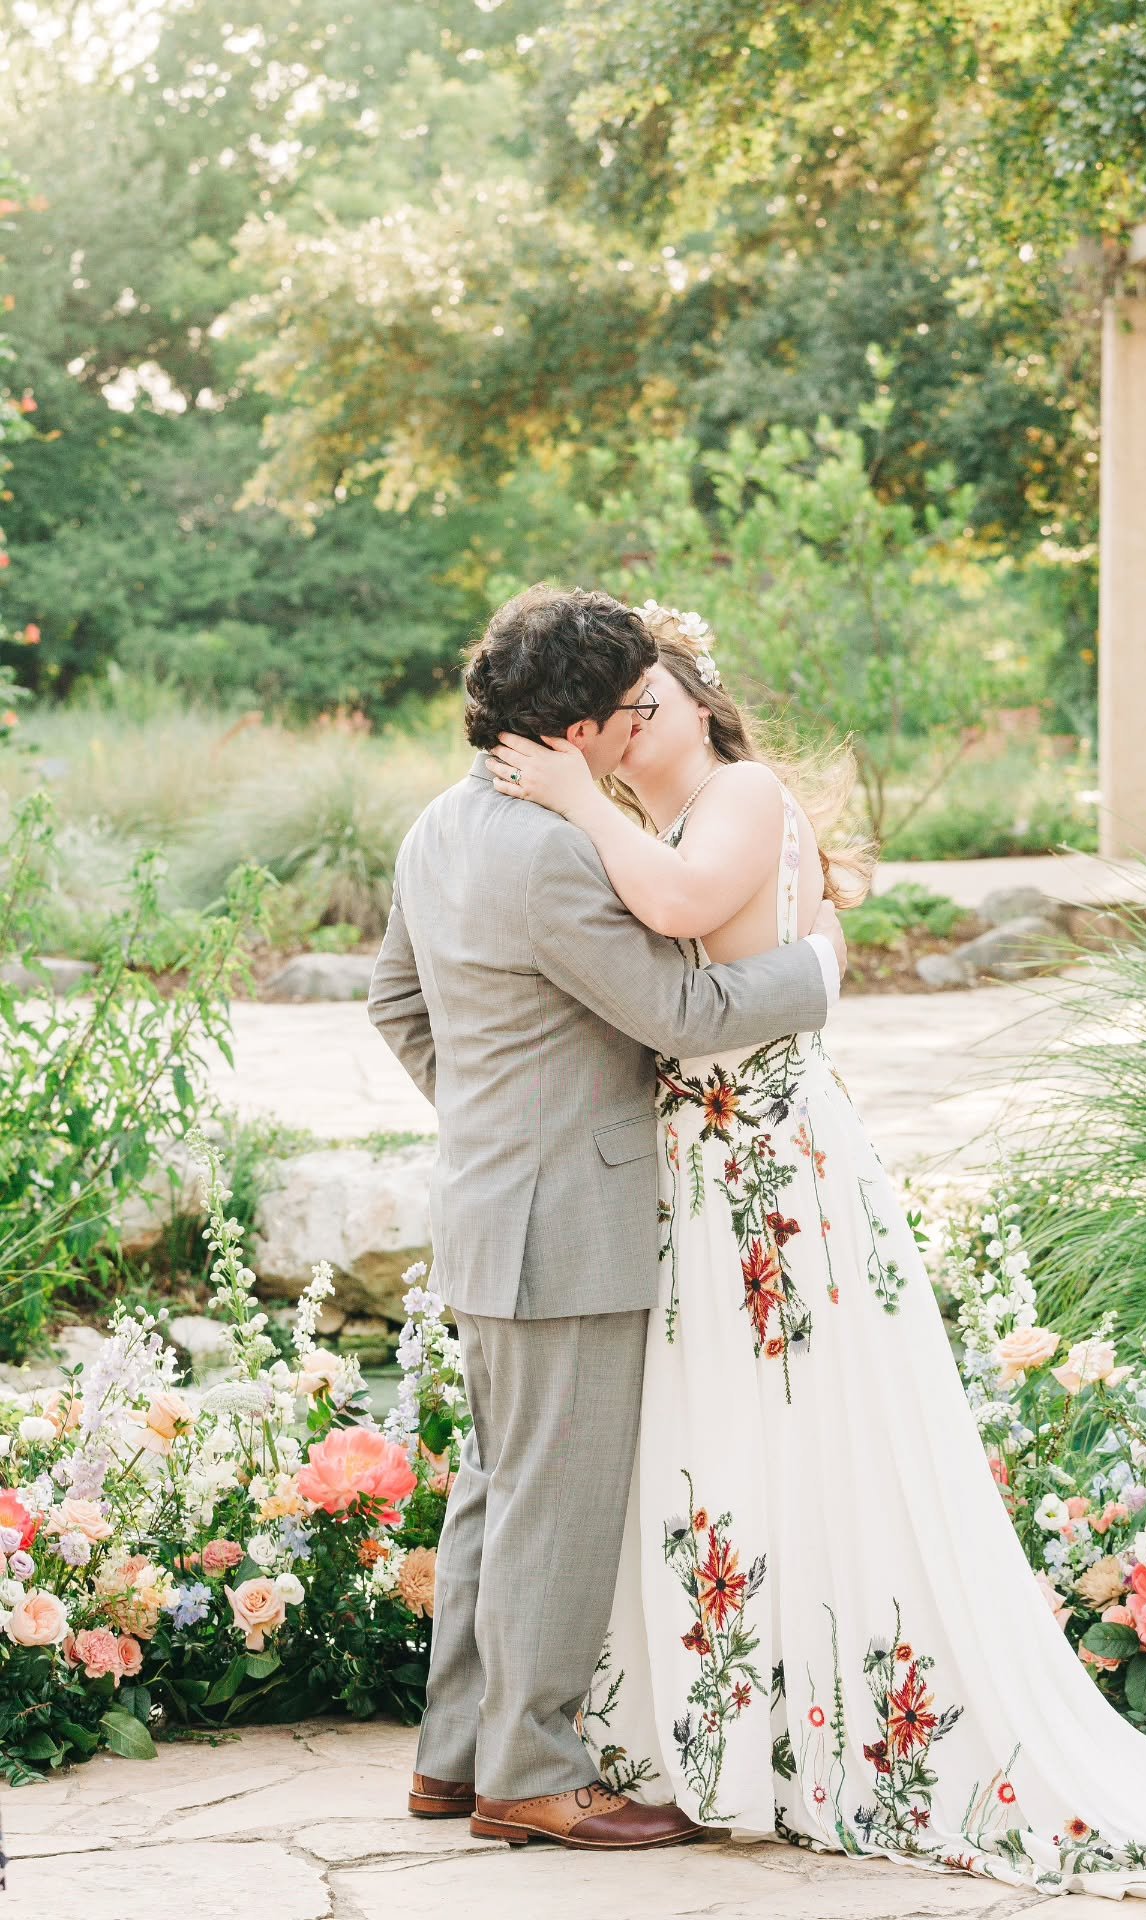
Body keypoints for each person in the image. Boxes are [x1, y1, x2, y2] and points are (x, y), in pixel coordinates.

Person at [486, 600, 1146, 1919]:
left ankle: (820, 1730)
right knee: (725, 1437)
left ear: (699, 701)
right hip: (700, 1175)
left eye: (652, 705)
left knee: (799, 1427)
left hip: (767, 1169)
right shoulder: (661, 817)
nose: (635, 732)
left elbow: (681, 908)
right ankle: (735, 1720)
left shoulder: (739, 796)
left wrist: (578, 802)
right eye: (621, 715)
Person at [368, 584, 847, 1852]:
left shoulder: (438, 826)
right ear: (579, 730)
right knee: (555, 1504)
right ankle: (534, 1773)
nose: (643, 720)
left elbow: (394, 1005)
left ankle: (454, 1760)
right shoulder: (553, 850)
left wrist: (490, 1123)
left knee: (496, 1490)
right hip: (566, 1217)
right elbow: (679, 1017)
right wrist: (814, 971)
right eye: (628, 704)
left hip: (490, 1209)